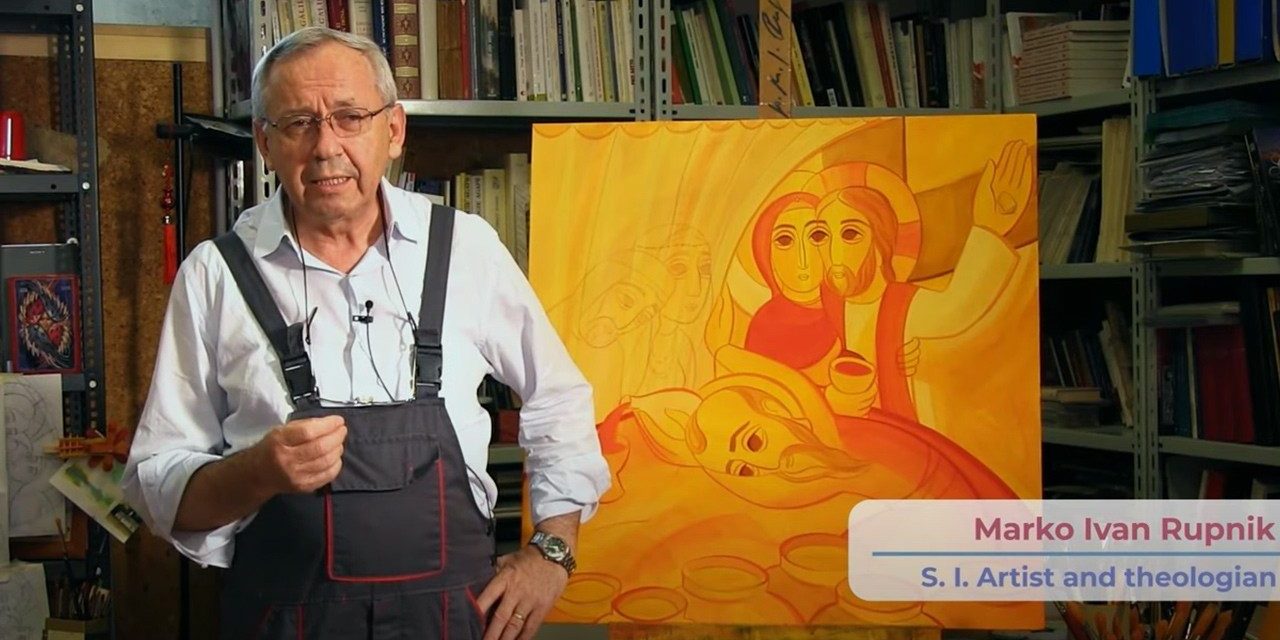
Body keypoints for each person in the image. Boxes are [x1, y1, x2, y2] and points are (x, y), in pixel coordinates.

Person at [121, 26, 609, 640]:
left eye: (350, 117)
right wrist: (257, 472)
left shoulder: (466, 249)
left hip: (452, 618)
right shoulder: (215, 275)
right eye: (299, 123)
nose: (326, 147)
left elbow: (558, 398)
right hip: (284, 622)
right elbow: (157, 482)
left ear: (394, 130)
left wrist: (553, 552)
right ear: (264, 143)